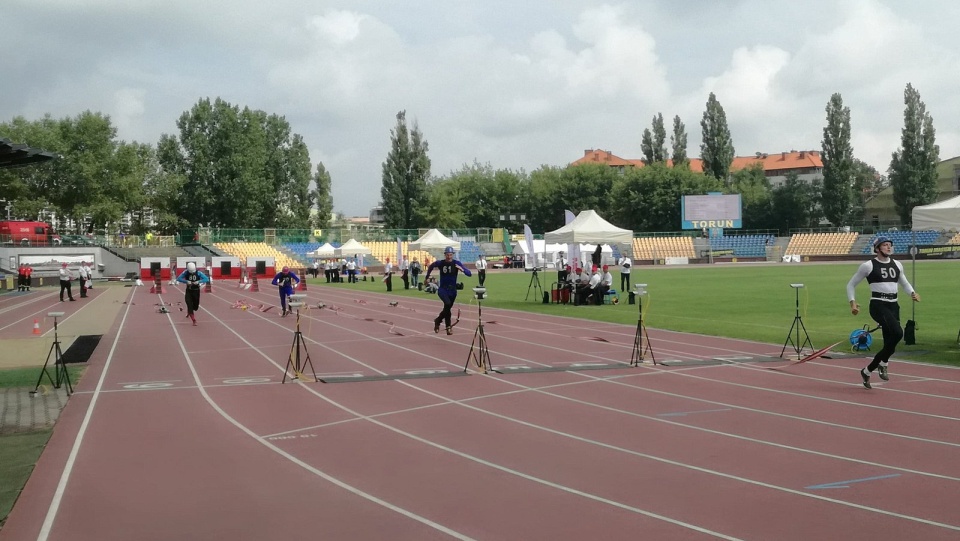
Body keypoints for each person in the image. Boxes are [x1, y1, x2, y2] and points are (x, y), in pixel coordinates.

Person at [846, 236, 920, 389]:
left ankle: (867, 370)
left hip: (894, 305)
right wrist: (852, 302)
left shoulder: (897, 264)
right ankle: (883, 363)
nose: (888, 247)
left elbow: (904, 282)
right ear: (877, 248)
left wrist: (912, 292)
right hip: (878, 305)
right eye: (885, 245)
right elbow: (851, 284)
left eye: (889, 245)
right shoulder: (868, 266)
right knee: (898, 333)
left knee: (890, 344)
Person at [425, 246, 472, 335]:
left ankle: (439, 321)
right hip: (443, 289)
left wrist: (462, 270)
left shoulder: (456, 263)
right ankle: (446, 326)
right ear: (445, 255)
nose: (449, 257)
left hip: (453, 291)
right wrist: (427, 277)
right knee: (447, 304)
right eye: (447, 255)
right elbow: (431, 266)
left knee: (447, 308)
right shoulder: (440, 263)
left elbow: (469, 274)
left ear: (452, 255)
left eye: (450, 255)